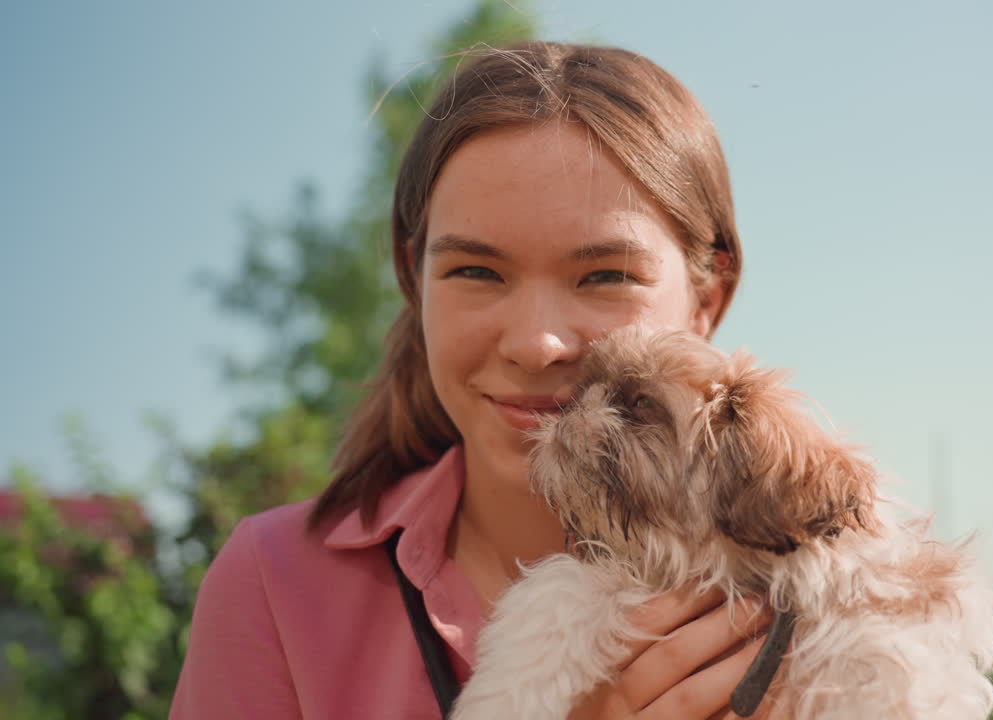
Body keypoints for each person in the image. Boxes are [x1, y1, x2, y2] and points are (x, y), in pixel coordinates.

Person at [170, 41, 778, 719]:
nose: (534, 343)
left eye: (605, 275)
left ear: (708, 297)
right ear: (414, 280)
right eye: (477, 272)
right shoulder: (276, 584)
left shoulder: (820, 605)